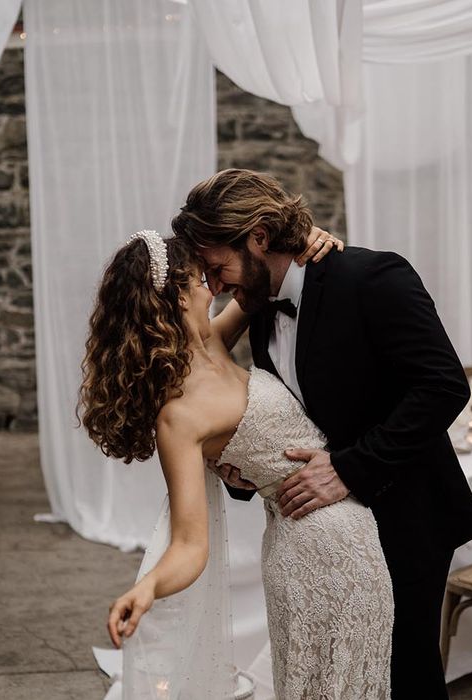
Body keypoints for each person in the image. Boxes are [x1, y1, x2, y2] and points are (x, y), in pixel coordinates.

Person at [171, 169, 472, 700]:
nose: (215, 284)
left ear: (260, 235)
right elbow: (298, 414)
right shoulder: (261, 306)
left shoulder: (373, 277)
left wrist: (348, 469)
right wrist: (249, 471)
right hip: (326, 537)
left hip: (404, 512)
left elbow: (443, 387)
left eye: (217, 265)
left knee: (405, 674)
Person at [79, 229, 393, 699]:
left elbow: (271, 270)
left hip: (351, 538)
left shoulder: (214, 341)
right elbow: (189, 543)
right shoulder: (177, 415)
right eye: (199, 279)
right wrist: (145, 590)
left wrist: (311, 238)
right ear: (176, 297)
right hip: (307, 546)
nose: (214, 286)